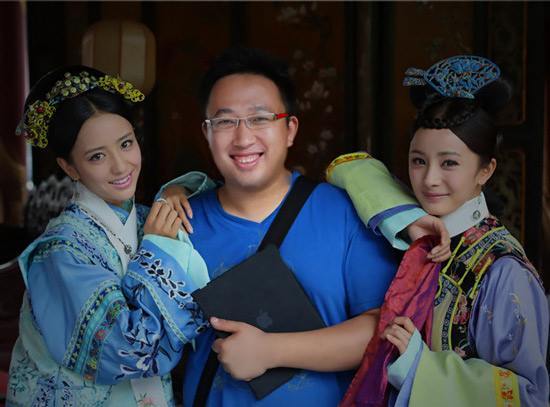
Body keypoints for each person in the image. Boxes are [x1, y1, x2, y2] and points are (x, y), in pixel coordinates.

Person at [157, 46, 453, 407]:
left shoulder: (342, 212)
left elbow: (382, 327)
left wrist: (271, 350)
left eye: (260, 118)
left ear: (290, 129)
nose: (243, 138)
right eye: (224, 121)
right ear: (207, 132)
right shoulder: (180, 223)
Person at [330, 55, 549, 406]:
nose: (430, 179)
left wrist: (420, 367)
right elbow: (347, 167)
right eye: (419, 161)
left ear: (486, 170)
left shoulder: (503, 270)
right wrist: (406, 219)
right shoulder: (414, 227)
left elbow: (529, 397)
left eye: (449, 163)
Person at [7, 66, 212, 406]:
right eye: (97, 156)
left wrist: (177, 189)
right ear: (69, 167)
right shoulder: (62, 252)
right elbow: (127, 352)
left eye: (126, 144)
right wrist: (157, 250)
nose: (120, 166)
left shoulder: (147, 218)